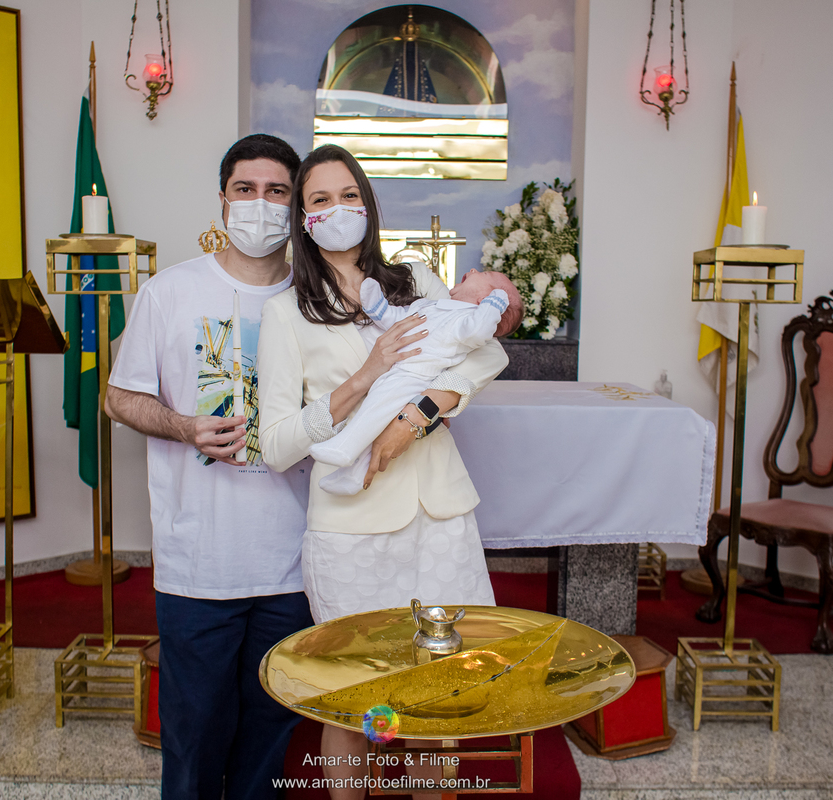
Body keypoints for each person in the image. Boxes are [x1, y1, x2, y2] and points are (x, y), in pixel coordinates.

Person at [256, 144, 509, 798]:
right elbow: (279, 443)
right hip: (351, 530)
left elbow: (481, 361)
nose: (338, 209)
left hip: (438, 519)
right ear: (303, 219)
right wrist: (366, 379)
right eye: (319, 199)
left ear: (367, 204)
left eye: (349, 195)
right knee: (353, 700)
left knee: (437, 697)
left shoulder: (415, 281)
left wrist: (413, 418)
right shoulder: (285, 313)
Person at [104, 133, 313, 800]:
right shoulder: (171, 292)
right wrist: (184, 424)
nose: (260, 204)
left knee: (270, 749)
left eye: (277, 191)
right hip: (198, 564)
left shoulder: (317, 300)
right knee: (193, 747)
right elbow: (118, 396)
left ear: (296, 207)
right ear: (222, 200)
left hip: (292, 561)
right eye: (245, 190)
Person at [311, 271, 524, 495]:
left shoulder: (469, 319)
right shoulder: (433, 305)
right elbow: (399, 320)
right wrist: (378, 308)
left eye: (485, 274)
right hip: (398, 370)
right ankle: (353, 477)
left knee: (376, 408)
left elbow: (480, 332)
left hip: (415, 376)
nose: (472, 271)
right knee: (380, 418)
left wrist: (493, 305)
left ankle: (344, 446)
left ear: (486, 301)